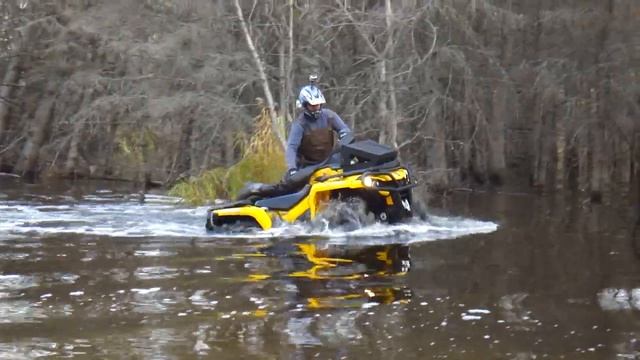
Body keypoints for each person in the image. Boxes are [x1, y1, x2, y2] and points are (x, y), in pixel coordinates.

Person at [285, 84, 351, 180]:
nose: (316, 107)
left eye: (318, 104)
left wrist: (344, 135)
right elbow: (292, 148)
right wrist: (292, 168)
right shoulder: (299, 124)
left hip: (329, 162)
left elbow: (344, 129)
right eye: (312, 105)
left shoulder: (330, 116)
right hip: (307, 167)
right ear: (305, 105)